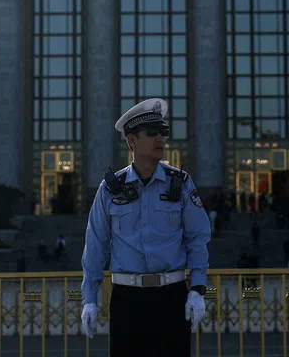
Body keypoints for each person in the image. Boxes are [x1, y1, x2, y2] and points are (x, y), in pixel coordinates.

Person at [80, 97, 211, 356]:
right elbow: (96, 244)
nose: (160, 139)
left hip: (172, 297)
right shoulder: (111, 188)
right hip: (127, 300)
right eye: (151, 133)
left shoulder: (181, 183)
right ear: (131, 141)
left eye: (163, 132)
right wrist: (89, 299)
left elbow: (198, 238)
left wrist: (197, 290)